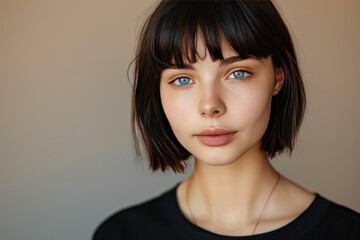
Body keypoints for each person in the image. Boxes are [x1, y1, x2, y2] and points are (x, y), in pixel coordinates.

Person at [93, 0, 360, 239]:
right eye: (183, 79)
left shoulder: (346, 232)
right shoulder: (121, 234)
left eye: (238, 73)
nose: (210, 105)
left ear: (278, 76)